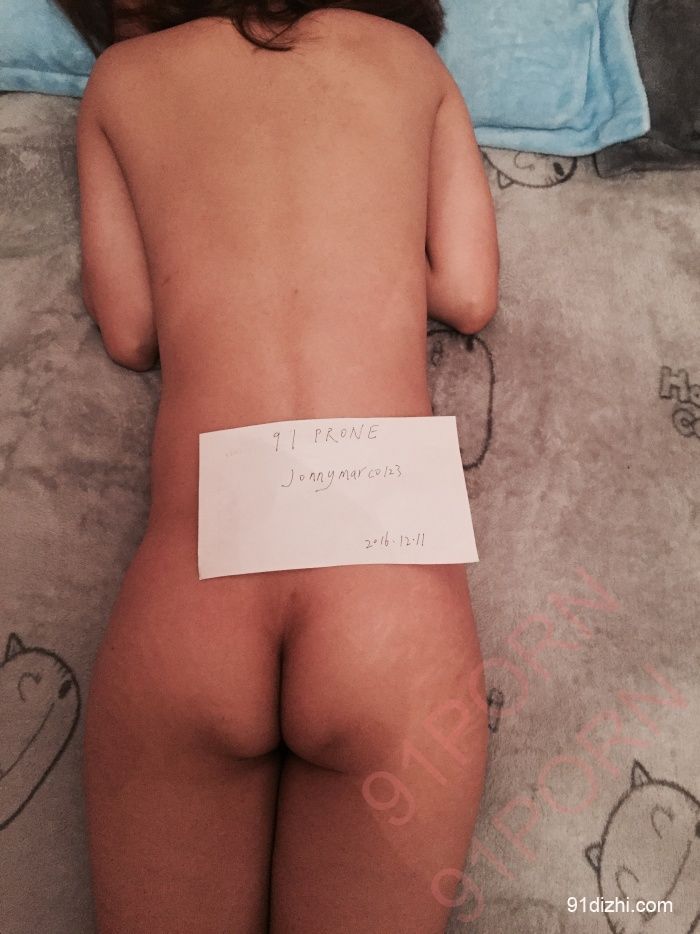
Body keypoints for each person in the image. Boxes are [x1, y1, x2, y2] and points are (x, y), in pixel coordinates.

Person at [58, 0, 499, 929]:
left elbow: (131, 330)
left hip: (198, 580)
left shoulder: (122, 81)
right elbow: (468, 292)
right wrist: (367, 253)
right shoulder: (410, 61)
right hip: (390, 588)